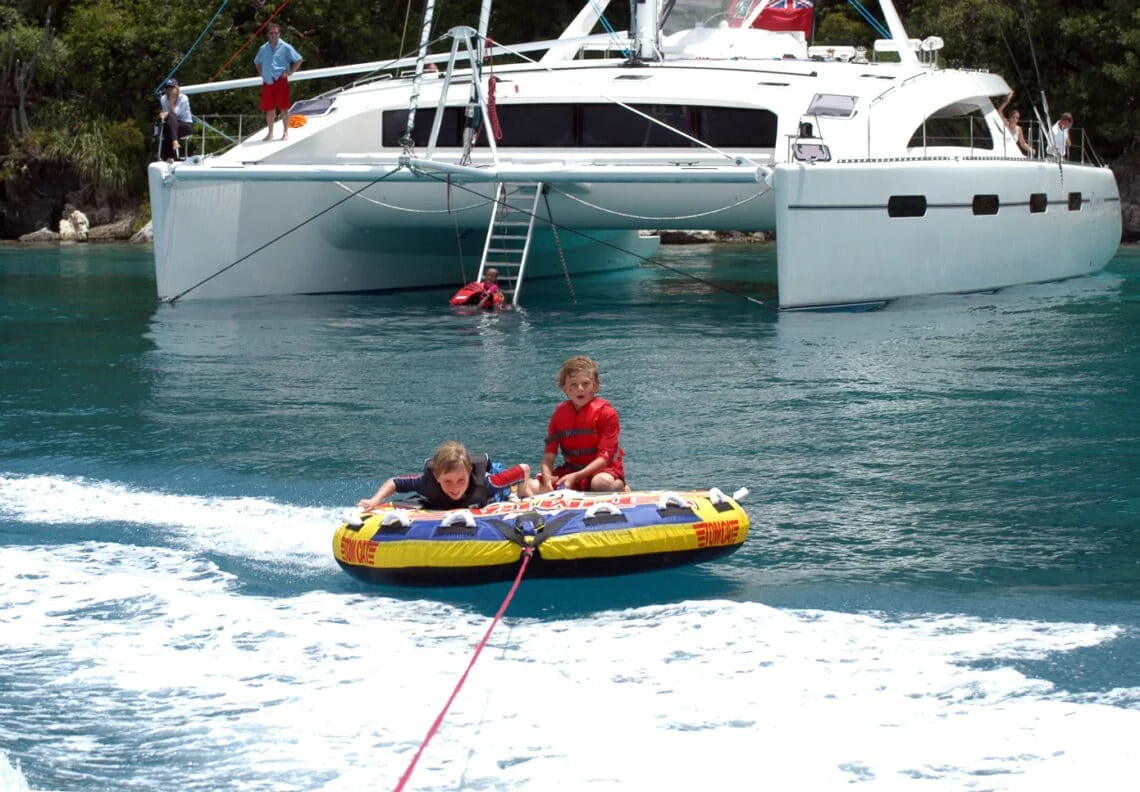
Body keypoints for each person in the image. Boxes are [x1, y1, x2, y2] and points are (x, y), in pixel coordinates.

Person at [357, 441, 539, 511]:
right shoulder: (426, 483)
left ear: (469, 474)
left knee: (524, 488)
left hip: (495, 480)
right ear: (437, 477)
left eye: (461, 480)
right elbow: (395, 482)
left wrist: (527, 499)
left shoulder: (487, 483)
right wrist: (375, 500)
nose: (455, 487)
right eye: (447, 482)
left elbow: (523, 468)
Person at [540, 355, 627, 493]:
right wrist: (547, 479)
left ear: (596, 386)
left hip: (602, 471)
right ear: (565, 389)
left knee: (600, 484)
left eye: (585, 383)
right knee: (531, 487)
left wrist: (576, 477)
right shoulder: (558, 415)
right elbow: (549, 456)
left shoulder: (607, 414)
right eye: (573, 385)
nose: (580, 389)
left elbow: (604, 457)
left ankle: (619, 487)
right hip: (571, 470)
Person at [253, 23, 303, 142]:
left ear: (279, 34)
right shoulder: (263, 48)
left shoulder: (285, 47)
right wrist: (261, 73)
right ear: (268, 35)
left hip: (280, 80)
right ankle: (270, 133)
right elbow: (257, 62)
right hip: (268, 81)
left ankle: (285, 132)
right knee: (269, 109)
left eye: (276, 33)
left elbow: (299, 59)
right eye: (272, 33)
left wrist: (290, 72)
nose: (274, 35)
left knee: (284, 108)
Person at [158, 78, 193, 163]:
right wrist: (163, 115)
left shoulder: (184, 98)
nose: (169, 90)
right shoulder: (163, 99)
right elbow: (168, 116)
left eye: (172, 88)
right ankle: (169, 156)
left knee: (171, 119)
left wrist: (171, 100)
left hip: (186, 126)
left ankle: (170, 155)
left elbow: (173, 113)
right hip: (172, 126)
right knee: (166, 125)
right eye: (167, 88)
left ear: (177, 89)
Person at [996, 91, 1030, 155]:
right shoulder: (1006, 124)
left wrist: (1030, 149)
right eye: (1013, 117)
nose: (1015, 119)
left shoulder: (1018, 129)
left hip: (1013, 151)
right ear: (1010, 117)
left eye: (1017, 118)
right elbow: (999, 111)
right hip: (1003, 151)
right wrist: (1007, 101)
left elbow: (1022, 144)